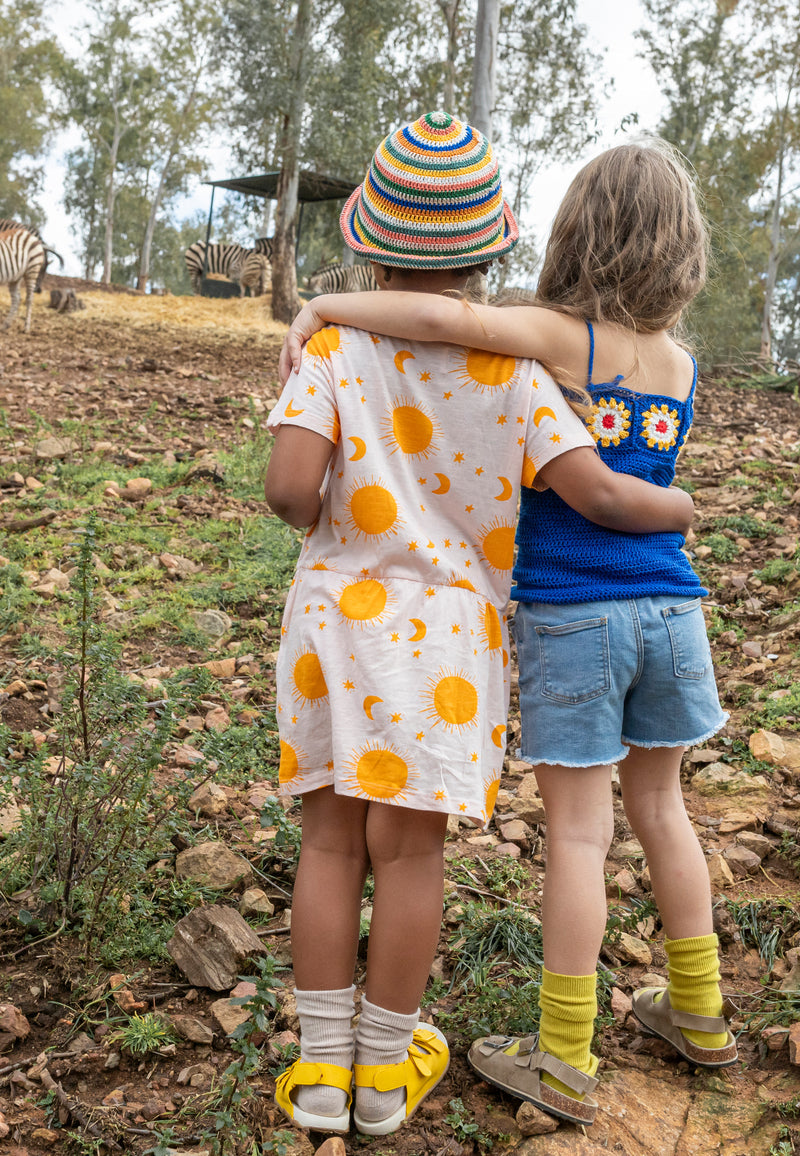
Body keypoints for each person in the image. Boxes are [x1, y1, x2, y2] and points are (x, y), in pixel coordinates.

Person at [278, 136, 736, 1129]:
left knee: (574, 832)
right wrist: (682, 509)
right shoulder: (669, 364)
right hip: (667, 609)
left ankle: (559, 1058)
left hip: (568, 614)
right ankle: (699, 1010)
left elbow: (441, 320)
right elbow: (612, 482)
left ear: (572, 237)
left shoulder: (552, 340)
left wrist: (323, 307)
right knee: (662, 809)